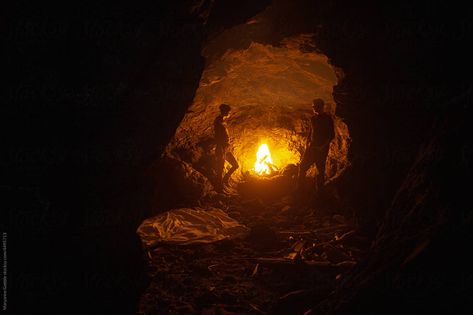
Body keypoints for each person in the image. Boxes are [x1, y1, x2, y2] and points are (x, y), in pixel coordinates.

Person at [297, 98, 335, 198]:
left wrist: (322, 147)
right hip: (311, 148)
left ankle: (319, 193)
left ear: (321, 106)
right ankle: (300, 190)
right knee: (302, 167)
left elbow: (331, 135)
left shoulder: (327, 119)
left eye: (315, 106)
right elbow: (311, 132)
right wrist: (307, 143)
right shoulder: (313, 118)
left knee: (320, 171)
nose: (313, 108)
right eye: (313, 106)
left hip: (321, 149)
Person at [214, 103, 239, 192]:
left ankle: (225, 179)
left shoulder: (223, 121)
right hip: (221, 148)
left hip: (226, 148)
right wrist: (220, 148)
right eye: (228, 111)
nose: (229, 113)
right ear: (224, 111)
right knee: (220, 168)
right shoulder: (218, 121)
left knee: (235, 165)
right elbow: (217, 136)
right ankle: (219, 187)